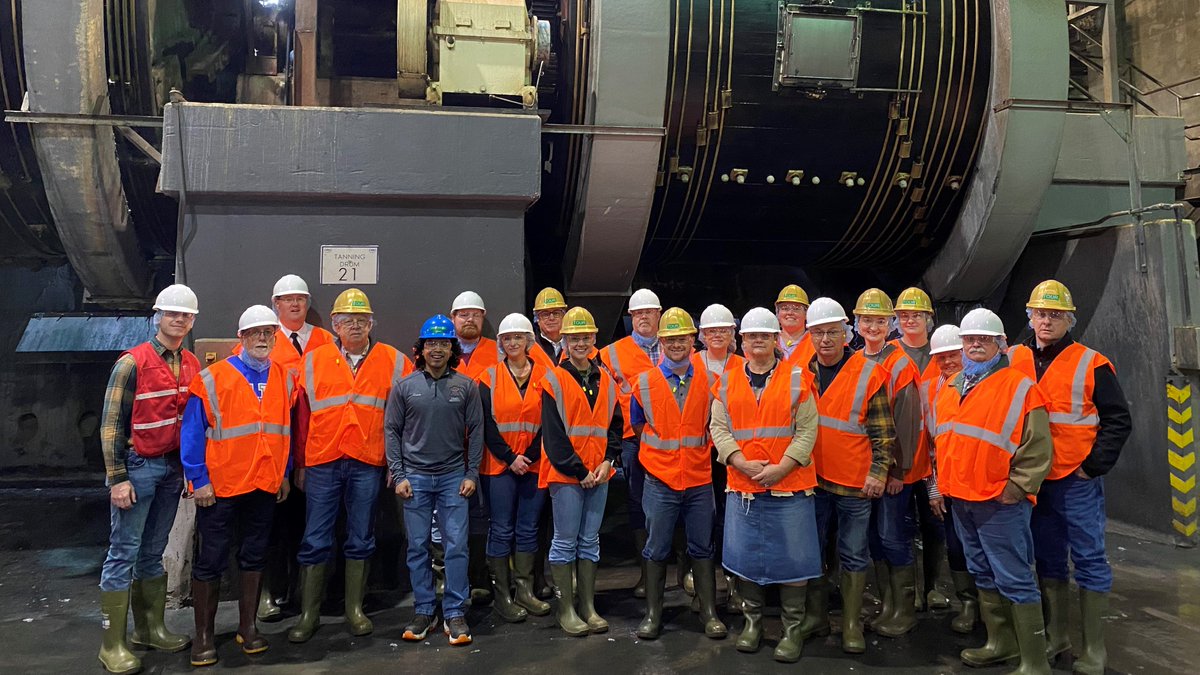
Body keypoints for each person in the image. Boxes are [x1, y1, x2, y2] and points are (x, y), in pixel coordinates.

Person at [1011, 280, 1131, 674]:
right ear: (1030, 316)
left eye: (1054, 315)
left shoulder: (1091, 362)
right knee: (1047, 559)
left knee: (1089, 559)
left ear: (1068, 319)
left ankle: (1094, 650)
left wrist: (1091, 467)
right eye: (1040, 313)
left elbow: (1117, 420)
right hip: (1035, 481)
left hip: (1076, 481)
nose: (1046, 321)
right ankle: (1057, 636)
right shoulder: (1014, 358)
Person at [288, 289, 414, 643]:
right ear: (334, 324)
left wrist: (397, 463)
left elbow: (404, 420)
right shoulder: (312, 361)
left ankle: (354, 610)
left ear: (371, 323)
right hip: (322, 462)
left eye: (362, 320)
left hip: (368, 461)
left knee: (361, 537)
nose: (355, 327)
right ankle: (309, 613)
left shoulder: (394, 360)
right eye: (348, 321)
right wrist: (300, 463)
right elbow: (302, 418)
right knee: (315, 538)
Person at [936, 308, 1053, 675]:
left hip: (999, 503)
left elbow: (1038, 449)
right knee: (982, 573)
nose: (975, 345)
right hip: (962, 499)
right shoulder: (953, 386)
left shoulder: (1020, 387)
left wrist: (1017, 488)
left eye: (984, 339)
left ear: (1001, 345)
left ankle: (1035, 661)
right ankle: (1000, 643)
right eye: (970, 339)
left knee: (1015, 576)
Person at [182, 305, 300, 667]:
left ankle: (247, 628)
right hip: (220, 486)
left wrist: (284, 473)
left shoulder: (284, 377)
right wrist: (197, 479)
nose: (263, 339)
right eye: (256, 333)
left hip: (264, 484)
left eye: (268, 333)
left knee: (254, 555)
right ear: (242, 338)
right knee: (211, 560)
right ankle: (203, 637)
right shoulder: (213, 377)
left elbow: (285, 430)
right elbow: (191, 433)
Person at [97, 284, 200, 674]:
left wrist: (191, 470)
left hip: (173, 470)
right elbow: (110, 425)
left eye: (186, 315)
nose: (180, 319)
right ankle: (113, 644)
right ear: (159, 315)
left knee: (152, 552)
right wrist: (117, 478)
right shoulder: (132, 362)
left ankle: (150, 629)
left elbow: (193, 423)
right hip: (139, 467)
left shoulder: (191, 363)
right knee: (123, 553)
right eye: (173, 313)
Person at [710, 307, 821, 663]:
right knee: (747, 557)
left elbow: (807, 430)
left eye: (765, 335)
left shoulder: (797, 378)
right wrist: (738, 460)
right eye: (751, 336)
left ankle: (791, 630)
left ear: (776, 340)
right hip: (743, 486)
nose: (758, 341)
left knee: (795, 560)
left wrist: (783, 467)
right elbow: (718, 428)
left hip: (790, 486)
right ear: (741, 340)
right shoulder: (726, 380)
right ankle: (752, 624)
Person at [240, 274, 334, 622]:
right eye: (287, 299)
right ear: (275, 303)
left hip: (317, 446)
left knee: (309, 525)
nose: (295, 305)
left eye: (301, 298)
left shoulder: (326, 339)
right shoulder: (258, 339)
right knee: (267, 525)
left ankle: (304, 593)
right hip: (270, 450)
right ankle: (268, 592)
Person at [802, 297, 894, 654]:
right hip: (812, 480)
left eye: (833, 332)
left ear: (846, 334)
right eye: (819, 332)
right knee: (813, 550)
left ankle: (852, 624)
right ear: (809, 335)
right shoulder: (801, 372)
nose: (826, 339)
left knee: (854, 554)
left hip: (856, 483)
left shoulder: (869, 373)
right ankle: (816, 616)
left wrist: (879, 472)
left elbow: (884, 432)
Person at [386, 314, 484, 646]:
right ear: (421, 349)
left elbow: (477, 433)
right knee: (417, 547)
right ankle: (424, 610)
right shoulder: (404, 386)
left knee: (456, 546)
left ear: (452, 348)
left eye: (443, 343)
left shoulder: (465, 386)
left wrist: (471, 473)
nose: (437, 349)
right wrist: (398, 474)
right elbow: (392, 432)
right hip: (414, 478)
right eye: (431, 344)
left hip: (453, 478)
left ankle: (455, 612)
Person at [630, 308, 727, 641]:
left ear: (692, 340)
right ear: (661, 341)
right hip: (660, 481)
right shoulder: (643, 383)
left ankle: (709, 613)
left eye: (682, 338)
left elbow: (716, 428)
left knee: (702, 546)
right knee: (656, 548)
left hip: (699, 479)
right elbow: (638, 425)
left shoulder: (711, 382)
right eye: (669, 339)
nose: (676, 344)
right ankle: (654, 615)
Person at [540, 307, 623, 636]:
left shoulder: (607, 380)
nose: (580, 343)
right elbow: (554, 435)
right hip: (567, 477)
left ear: (594, 339)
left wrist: (608, 462)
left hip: (600, 474)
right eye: (574, 338)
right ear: (564, 340)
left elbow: (614, 427)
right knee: (564, 542)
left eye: (585, 337)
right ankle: (566, 610)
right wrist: (578, 470)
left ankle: (587, 607)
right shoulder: (553, 381)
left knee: (589, 541)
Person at [853, 289, 924, 639]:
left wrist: (898, 471)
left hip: (894, 472)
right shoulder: (858, 360)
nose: (872, 326)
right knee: (876, 539)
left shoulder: (899, 363)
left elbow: (908, 422)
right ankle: (887, 605)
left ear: (889, 323)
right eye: (867, 320)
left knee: (893, 537)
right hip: (865, 469)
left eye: (879, 320)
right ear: (857, 323)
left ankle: (904, 610)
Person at [476, 313, 551, 622]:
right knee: (502, 528)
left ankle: (525, 590)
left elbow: (550, 422)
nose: (513, 343)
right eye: (507, 338)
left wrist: (529, 457)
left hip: (534, 465)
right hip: (498, 467)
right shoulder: (487, 377)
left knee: (528, 528)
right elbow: (486, 425)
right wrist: (510, 458)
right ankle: (502, 595)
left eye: (518, 337)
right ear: (501, 343)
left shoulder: (547, 375)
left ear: (528, 341)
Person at [891, 287, 951, 613]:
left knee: (934, 524)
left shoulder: (944, 351)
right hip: (900, 456)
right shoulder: (888, 352)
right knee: (898, 525)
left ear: (929, 318)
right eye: (904, 315)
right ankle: (908, 592)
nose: (910, 320)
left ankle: (934, 587)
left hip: (936, 455)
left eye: (917, 314)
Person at [599, 288, 662, 598]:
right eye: (638, 313)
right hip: (632, 439)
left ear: (659, 315)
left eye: (649, 312)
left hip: (674, 438)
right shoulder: (610, 353)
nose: (644, 318)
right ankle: (646, 573)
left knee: (677, 500)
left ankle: (685, 570)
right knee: (638, 501)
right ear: (630, 317)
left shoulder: (679, 345)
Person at [923, 324, 979, 634]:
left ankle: (991, 608)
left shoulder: (982, 384)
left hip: (983, 483)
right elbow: (930, 446)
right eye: (940, 358)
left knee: (987, 550)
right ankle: (968, 604)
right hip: (949, 485)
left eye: (952, 355)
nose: (947, 362)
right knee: (957, 547)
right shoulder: (930, 389)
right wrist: (934, 489)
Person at [694, 303, 746, 612]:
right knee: (703, 517)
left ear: (732, 334)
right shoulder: (690, 363)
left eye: (723, 330)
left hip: (735, 454)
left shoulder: (743, 364)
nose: (717, 335)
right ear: (702, 335)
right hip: (700, 452)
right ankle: (698, 576)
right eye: (711, 330)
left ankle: (733, 578)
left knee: (732, 516)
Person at [451, 291, 498, 380]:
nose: (470, 319)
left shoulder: (497, 351)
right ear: (453, 318)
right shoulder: (441, 351)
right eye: (464, 315)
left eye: (476, 315)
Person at [775, 284, 814, 366]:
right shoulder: (768, 341)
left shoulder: (816, 341)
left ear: (806, 313)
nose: (790, 313)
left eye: (796, 308)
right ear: (777, 313)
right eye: (785, 308)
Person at [531, 287, 568, 367]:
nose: (551, 318)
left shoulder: (577, 347)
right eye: (545, 314)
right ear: (537, 319)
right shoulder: (528, 349)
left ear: (564, 315)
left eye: (556, 313)